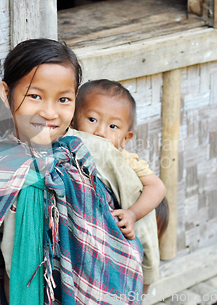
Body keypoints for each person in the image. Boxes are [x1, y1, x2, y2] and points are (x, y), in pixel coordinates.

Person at [0, 39, 144, 305]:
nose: (49, 112)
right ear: (6, 93)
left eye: (63, 99)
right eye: (34, 96)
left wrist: (146, 275)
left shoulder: (94, 152)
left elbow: (136, 213)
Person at [72, 79, 167, 293]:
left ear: (126, 138)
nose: (101, 132)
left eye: (113, 126)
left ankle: (139, 292)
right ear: (74, 120)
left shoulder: (125, 158)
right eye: (92, 119)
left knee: (146, 249)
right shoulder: (70, 145)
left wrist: (133, 214)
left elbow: (157, 187)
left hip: (126, 222)